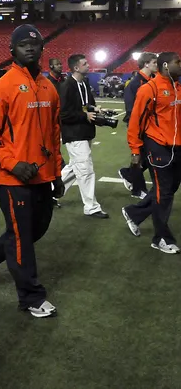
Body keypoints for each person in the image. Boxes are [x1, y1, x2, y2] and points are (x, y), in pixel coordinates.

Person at [0, 25, 64, 318]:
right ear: (12, 50)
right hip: (12, 179)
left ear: (42, 50)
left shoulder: (49, 87)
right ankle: (31, 297)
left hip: (43, 176)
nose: (29, 48)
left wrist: (58, 172)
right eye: (22, 44)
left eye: (34, 44)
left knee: (34, 231)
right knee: (22, 236)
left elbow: (54, 133)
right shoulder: (3, 86)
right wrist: (12, 163)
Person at [122, 52, 181, 254]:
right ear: (166, 65)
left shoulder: (177, 86)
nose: (180, 65)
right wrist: (135, 150)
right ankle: (161, 238)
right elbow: (136, 121)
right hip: (157, 146)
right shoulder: (149, 89)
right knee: (163, 193)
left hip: (177, 147)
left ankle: (134, 213)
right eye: (177, 62)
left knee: (168, 189)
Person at [59, 54, 109, 218]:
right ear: (76, 68)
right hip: (74, 133)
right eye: (85, 63)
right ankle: (91, 207)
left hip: (85, 131)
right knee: (86, 169)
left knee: (75, 167)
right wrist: (84, 116)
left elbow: (86, 105)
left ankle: (50, 193)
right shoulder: (67, 86)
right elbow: (63, 114)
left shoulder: (84, 83)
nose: (88, 65)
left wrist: (96, 109)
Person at [118, 52, 158, 199]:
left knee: (148, 157)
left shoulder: (152, 80)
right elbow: (131, 110)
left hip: (151, 127)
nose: (156, 65)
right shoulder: (135, 83)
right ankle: (138, 189)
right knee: (141, 158)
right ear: (146, 64)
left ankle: (127, 174)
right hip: (140, 127)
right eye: (154, 62)